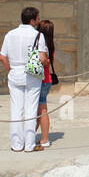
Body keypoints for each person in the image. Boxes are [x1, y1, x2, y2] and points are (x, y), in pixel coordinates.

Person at [0, 7, 49, 153]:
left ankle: (16, 144)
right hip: (31, 74)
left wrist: (10, 69)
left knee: (16, 109)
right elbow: (42, 57)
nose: (39, 21)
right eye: (38, 19)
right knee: (31, 109)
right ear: (32, 20)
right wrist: (46, 62)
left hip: (15, 71)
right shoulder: (38, 35)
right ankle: (29, 144)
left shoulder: (10, 34)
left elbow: (2, 56)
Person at [36, 19, 57, 149]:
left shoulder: (41, 45)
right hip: (47, 79)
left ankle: (44, 138)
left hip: (40, 80)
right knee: (40, 110)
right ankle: (32, 135)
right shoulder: (51, 45)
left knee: (41, 111)